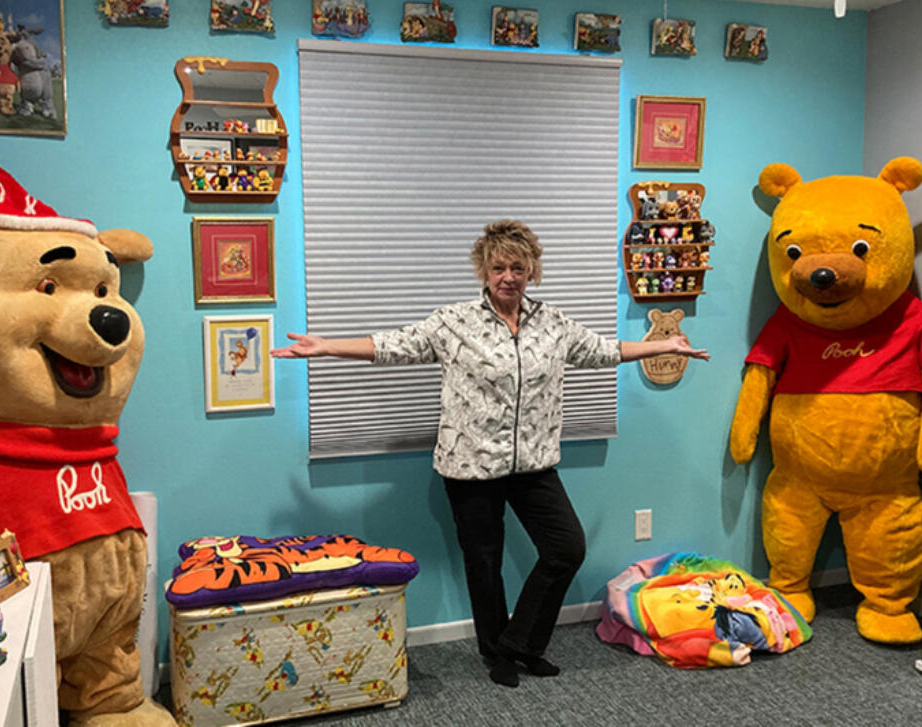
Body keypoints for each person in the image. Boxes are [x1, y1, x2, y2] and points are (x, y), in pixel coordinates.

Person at [272, 220, 709, 687]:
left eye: (518, 267)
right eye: (499, 266)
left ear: (531, 271)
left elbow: (601, 349)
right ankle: (495, 651)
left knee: (566, 548)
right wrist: (327, 347)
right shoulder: (455, 322)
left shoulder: (552, 323)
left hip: (533, 463)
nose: (508, 276)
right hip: (470, 465)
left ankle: (519, 643)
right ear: (484, 269)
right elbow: (394, 345)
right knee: (484, 562)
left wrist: (661, 344)